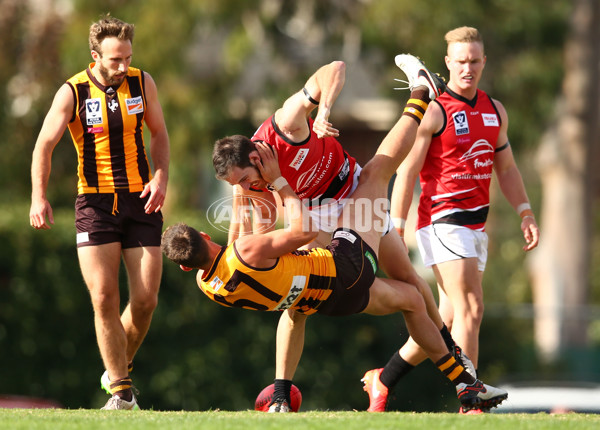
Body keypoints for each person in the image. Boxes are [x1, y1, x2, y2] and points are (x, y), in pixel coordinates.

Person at [162, 60, 508, 413]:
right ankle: (421, 92)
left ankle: (454, 373)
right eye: (237, 186)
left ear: (256, 156)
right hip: (331, 224)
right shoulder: (258, 186)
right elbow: (274, 241)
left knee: (410, 289)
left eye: (243, 179)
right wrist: (263, 191)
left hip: (349, 197)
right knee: (378, 172)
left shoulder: (285, 125)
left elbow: (336, 68)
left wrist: (323, 110)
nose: (246, 189)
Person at [362, 26, 540, 414]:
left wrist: (525, 210)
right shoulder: (436, 110)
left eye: (475, 61)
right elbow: (407, 171)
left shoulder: (495, 111)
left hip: (475, 227)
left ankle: (384, 378)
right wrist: (395, 221)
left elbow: (506, 168)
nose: (468, 69)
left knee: (444, 319)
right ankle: (471, 399)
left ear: (484, 62)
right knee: (471, 307)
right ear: (448, 63)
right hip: (441, 221)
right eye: (460, 62)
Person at [29, 14, 170, 410]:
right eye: (114, 60)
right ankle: (122, 393)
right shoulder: (72, 91)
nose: (123, 66)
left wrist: (160, 177)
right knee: (105, 297)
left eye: (127, 57)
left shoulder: (143, 83)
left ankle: (115, 368)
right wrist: (39, 196)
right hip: (93, 204)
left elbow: (159, 134)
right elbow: (43, 145)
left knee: (145, 300)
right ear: (95, 56)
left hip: (141, 201)